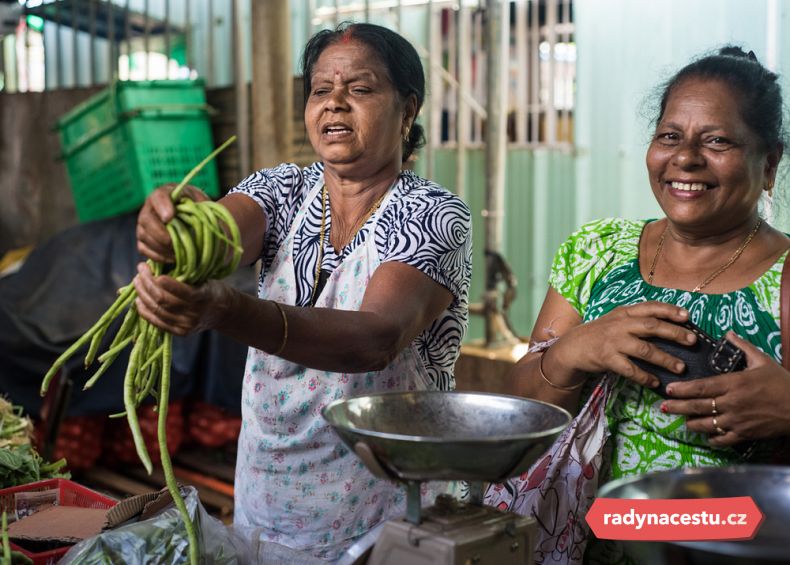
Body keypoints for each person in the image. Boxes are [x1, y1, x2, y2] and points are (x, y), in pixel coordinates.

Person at [134, 23, 472, 561]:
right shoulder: (281, 189)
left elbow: (374, 338)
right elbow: (221, 237)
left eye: (360, 89)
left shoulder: (431, 212)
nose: (335, 103)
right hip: (268, 494)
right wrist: (177, 228)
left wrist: (226, 309)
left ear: (407, 111)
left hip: (385, 511)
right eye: (321, 89)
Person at [485, 46, 790, 564]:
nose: (685, 158)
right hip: (572, 542)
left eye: (717, 141)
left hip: (724, 547)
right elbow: (516, 416)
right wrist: (572, 351)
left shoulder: (783, 281)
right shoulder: (597, 251)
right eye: (669, 137)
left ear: (769, 165)